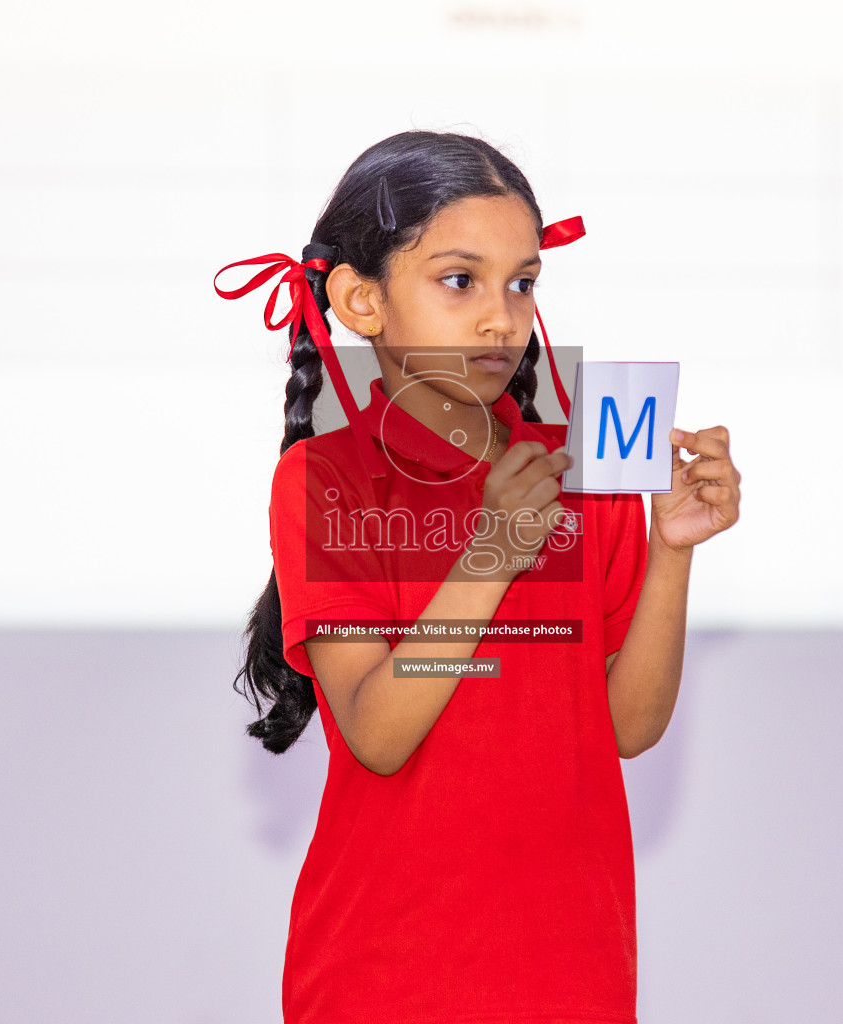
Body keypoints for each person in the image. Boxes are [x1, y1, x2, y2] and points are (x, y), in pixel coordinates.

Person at [218, 129, 742, 1024]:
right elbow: (380, 731)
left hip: (575, 971)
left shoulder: (582, 469)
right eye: (460, 281)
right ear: (359, 300)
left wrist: (671, 551)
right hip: (387, 976)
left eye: (523, 282)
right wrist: (494, 552)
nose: (503, 315)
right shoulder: (329, 481)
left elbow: (628, 724)